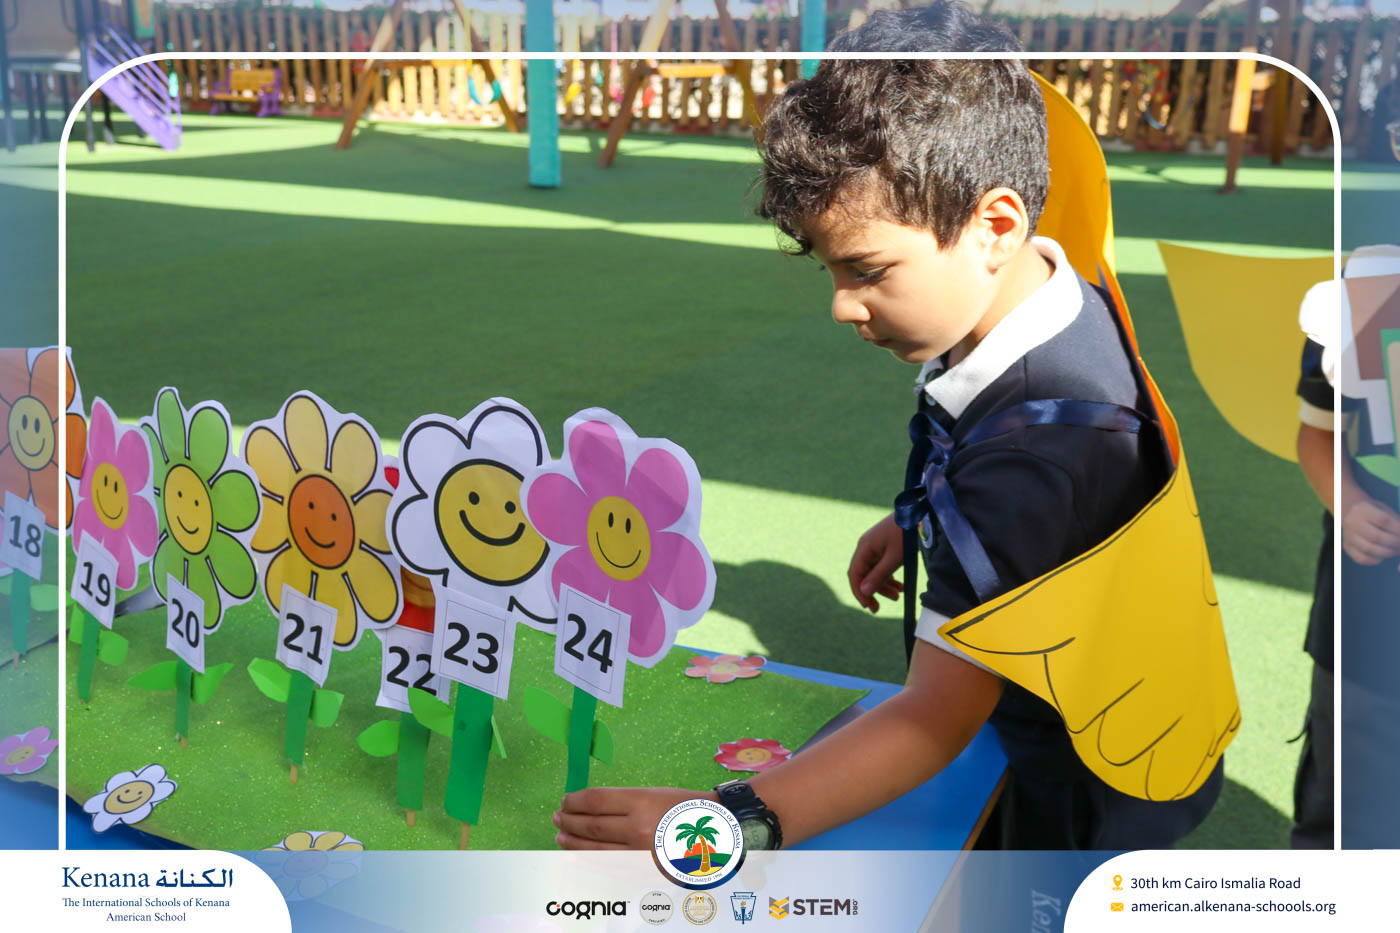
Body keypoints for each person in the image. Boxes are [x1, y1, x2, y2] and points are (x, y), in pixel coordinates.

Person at [554, 4, 1221, 852]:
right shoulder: (1039, 279)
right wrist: (923, 519)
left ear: (995, 225)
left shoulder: (1037, 451)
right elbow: (1004, 471)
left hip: (1088, 766)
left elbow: (933, 717)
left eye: (866, 269)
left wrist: (730, 818)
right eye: (830, 269)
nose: (841, 305)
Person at [1291, 311, 1334, 849]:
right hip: (1365, 617)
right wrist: (1353, 509)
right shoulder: (1362, 292)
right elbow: (1317, 433)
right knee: (1333, 808)